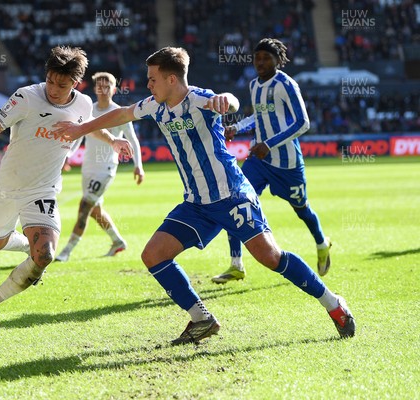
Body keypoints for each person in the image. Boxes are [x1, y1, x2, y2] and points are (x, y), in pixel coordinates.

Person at [53, 46, 355, 344]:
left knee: (270, 257)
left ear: (172, 80)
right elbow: (121, 114)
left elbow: (229, 102)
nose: (147, 85)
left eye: (152, 79)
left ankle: (333, 304)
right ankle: (202, 319)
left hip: (232, 195)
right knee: (153, 255)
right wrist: (81, 129)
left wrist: (227, 100)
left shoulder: (198, 98)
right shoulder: (154, 106)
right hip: (197, 204)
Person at [0, 46, 133, 334]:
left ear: (75, 83)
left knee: (45, 255)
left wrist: (113, 142)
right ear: (46, 74)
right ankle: (24, 246)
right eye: (51, 80)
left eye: (62, 84)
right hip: (8, 187)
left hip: (43, 190)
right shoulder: (26, 97)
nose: (55, 89)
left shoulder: (83, 104)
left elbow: (90, 127)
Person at [212, 38, 332, 284]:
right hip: (259, 160)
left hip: (286, 163)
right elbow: (259, 116)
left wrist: (269, 143)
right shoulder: (254, 85)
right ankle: (236, 264)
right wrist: (236, 126)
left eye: (267, 58)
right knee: (235, 201)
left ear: (278, 60)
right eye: (258, 58)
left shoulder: (286, 84)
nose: (261, 62)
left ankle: (322, 243)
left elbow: (303, 123)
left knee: (302, 209)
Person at [55, 72, 145, 262]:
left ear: (113, 89)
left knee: (84, 205)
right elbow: (78, 135)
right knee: (95, 210)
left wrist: (139, 166)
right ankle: (118, 241)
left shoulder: (120, 112)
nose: (102, 90)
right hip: (88, 167)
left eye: (107, 87)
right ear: (95, 89)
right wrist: (68, 155)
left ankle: (67, 250)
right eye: (99, 86)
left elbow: (133, 140)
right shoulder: (89, 111)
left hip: (106, 168)